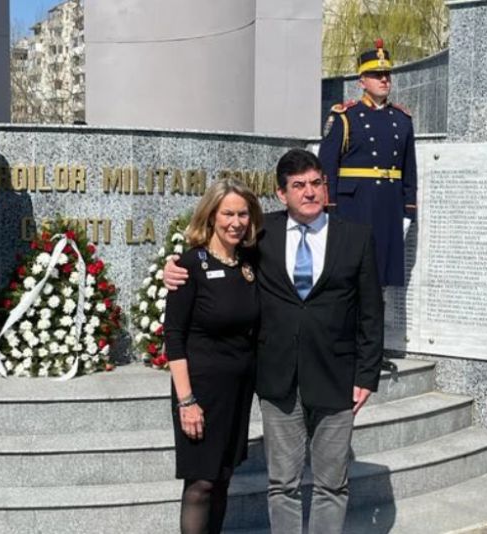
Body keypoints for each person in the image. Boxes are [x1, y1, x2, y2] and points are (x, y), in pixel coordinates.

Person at [165, 149, 384, 534]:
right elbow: (214, 252)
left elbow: (371, 311)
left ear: (326, 187)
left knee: (332, 484)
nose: (309, 192)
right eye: (298, 185)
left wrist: (366, 375)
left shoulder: (356, 237)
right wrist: (174, 266)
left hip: (336, 378)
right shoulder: (262, 234)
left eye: (316, 183)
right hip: (278, 379)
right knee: (282, 484)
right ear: (282, 194)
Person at [164, 178, 263, 534]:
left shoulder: (249, 263)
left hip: (237, 390)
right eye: (228, 214)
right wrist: (186, 401)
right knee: (201, 483)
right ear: (211, 216)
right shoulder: (189, 265)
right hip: (200, 391)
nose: (236, 222)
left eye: (243, 214)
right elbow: (174, 337)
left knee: (223, 478)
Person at [318, 38, 417, 288]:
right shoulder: (345, 117)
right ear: (362, 81)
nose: (384, 79)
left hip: (389, 206)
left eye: (387, 74)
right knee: (352, 275)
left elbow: (409, 172)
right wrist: (330, 210)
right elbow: (327, 168)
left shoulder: (402, 119)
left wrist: (408, 212)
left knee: (381, 278)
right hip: (354, 207)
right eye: (376, 75)